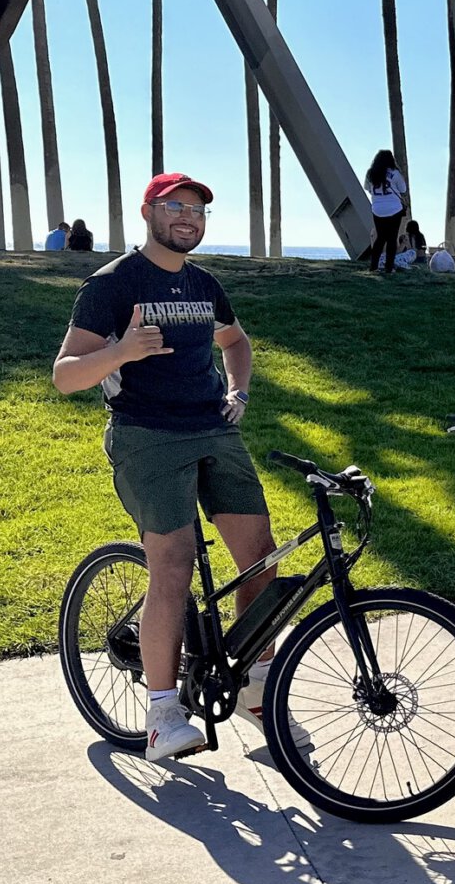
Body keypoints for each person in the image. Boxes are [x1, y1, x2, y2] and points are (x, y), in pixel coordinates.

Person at [50, 172, 283, 762]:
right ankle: (161, 713)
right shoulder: (112, 284)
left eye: (198, 210)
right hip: (146, 435)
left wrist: (240, 394)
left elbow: (236, 342)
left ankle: (255, 687)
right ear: (148, 212)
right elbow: (66, 374)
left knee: (262, 563)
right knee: (173, 564)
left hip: (212, 428)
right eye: (175, 207)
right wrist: (122, 351)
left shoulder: (204, 284)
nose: (188, 218)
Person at [363, 150, 408, 274]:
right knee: (392, 238)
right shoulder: (395, 173)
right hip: (394, 209)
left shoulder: (371, 173)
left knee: (380, 238)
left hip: (377, 209)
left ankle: (373, 266)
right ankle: (389, 267)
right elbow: (403, 189)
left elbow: (367, 188)